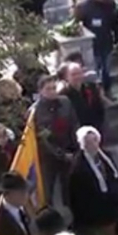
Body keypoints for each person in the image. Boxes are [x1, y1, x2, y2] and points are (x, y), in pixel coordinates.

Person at [68, 126, 118, 235]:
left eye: (95, 140)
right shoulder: (78, 169)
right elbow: (76, 198)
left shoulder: (106, 156)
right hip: (97, 217)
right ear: (83, 145)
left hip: (114, 210)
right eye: (89, 143)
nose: (93, 145)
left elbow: (114, 178)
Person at [34, 75, 80, 206]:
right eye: (48, 89)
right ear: (40, 91)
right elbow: (43, 139)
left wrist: (75, 147)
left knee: (70, 187)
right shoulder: (36, 111)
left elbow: (74, 123)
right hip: (49, 157)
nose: (53, 92)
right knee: (48, 190)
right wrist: (61, 154)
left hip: (69, 150)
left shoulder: (65, 101)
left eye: (54, 88)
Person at [76, 0, 118, 98]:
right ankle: (96, 94)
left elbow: (114, 21)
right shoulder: (85, 7)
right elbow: (78, 23)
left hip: (106, 41)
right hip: (92, 44)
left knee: (106, 70)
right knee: (94, 70)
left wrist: (117, 35)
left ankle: (108, 91)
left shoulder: (109, 5)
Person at [58, 63, 105, 133]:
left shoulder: (91, 87)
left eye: (79, 73)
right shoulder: (63, 94)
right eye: (73, 74)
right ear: (67, 77)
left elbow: (99, 108)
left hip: (95, 128)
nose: (77, 77)